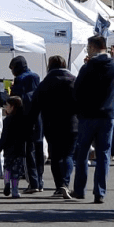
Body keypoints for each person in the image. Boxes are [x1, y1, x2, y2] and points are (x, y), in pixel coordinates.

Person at [71, 35, 114, 203]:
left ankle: (79, 189)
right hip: (107, 115)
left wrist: (79, 109)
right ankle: (100, 191)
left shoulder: (88, 67)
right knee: (103, 154)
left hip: (87, 116)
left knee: (82, 153)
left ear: (93, 48)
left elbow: (76, 91)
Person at [30, 54, 78, 198]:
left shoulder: (45, 83)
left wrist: (31, 123)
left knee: (56, 156)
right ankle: (66, 183)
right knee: (69, 155)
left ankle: (59, 187)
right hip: (72, 124)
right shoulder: (74, 81)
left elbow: (35, 105)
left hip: (52, 124)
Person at [8, 55, 44, 194]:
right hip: (38, 118)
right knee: (39, 150)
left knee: (29, 152)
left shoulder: (20, 79)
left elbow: (15, 100)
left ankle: (33, 182)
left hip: (25, 119)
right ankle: (40, 182)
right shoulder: (35, 77)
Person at [0, 95, 29, 198]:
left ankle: (7, 183)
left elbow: (4, 135)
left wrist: (0, 147)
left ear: (12, 106)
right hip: (19, 150)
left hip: (8, 149)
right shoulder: (24, 119)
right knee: (16, 172)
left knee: (7, 168)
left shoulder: (7, 120)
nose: (6, 107)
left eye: (7, 105)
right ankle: (15, 191)